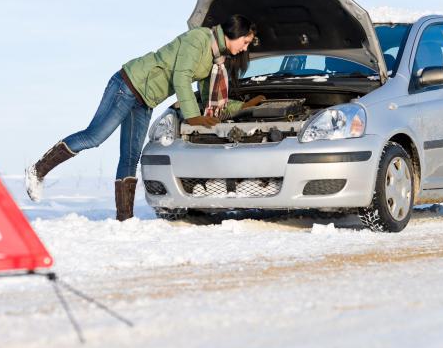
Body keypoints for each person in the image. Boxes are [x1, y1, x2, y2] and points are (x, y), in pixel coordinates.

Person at [25, 14, 265, 220]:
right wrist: (192, 117)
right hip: (128, 85)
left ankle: (124, 219)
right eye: (245, 42)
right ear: (234, 33)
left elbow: (207, 98)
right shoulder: (199, 39)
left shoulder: (215, 60)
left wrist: (243, 106)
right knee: (94, 136)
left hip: (145, 100)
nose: (245, 48)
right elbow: (181, 77)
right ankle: (38, 170)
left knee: (130, 156)